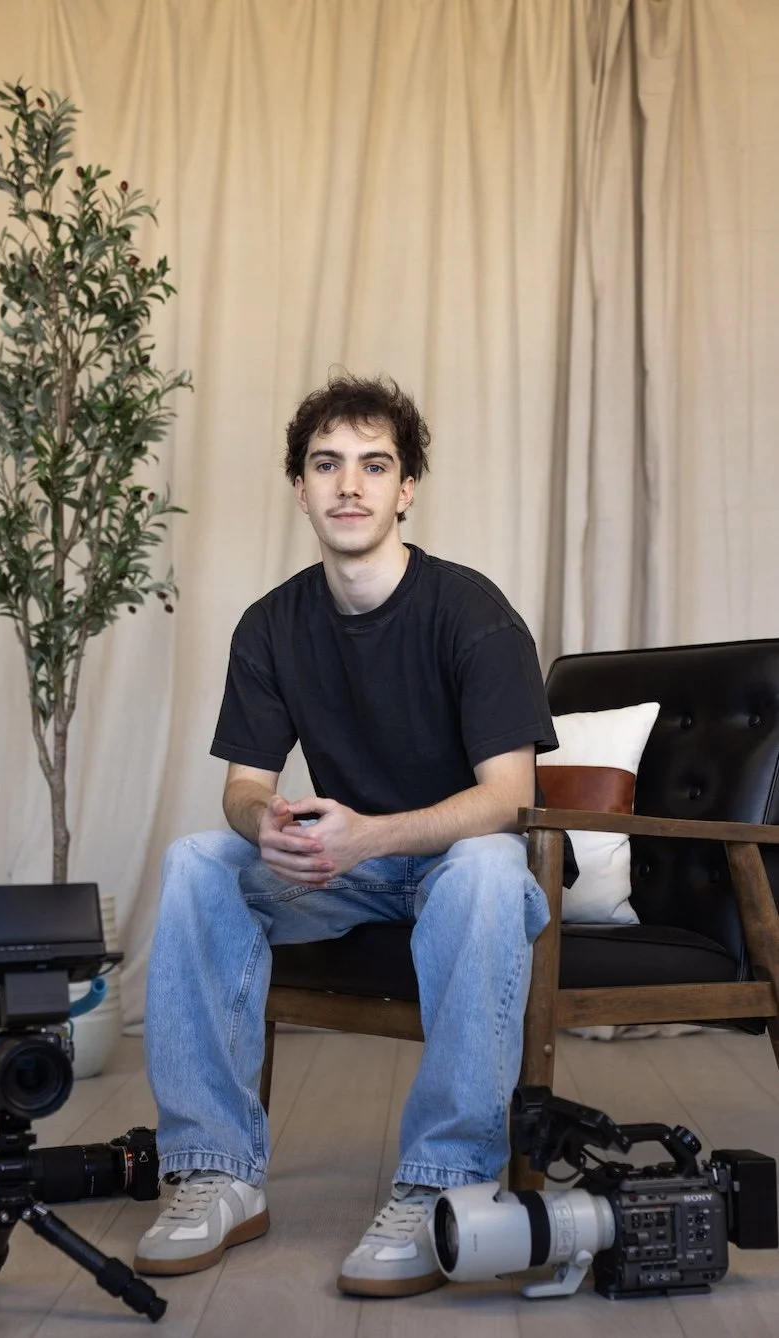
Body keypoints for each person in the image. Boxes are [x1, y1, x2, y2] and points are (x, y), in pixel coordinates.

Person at [135, 373, 567, 1298]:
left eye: (374, 466)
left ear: (405, 487)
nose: (349, 486)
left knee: (490, 868)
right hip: (348, 867)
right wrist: (272, 824)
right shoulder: (271, 624)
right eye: (326, 465)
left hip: (450, 861)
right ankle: (216, 1172)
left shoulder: (470, 610)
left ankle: (444, 1182)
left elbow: (507, 797)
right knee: (196, 862)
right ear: (300, 485)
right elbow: (243, 788)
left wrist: (371, 835)